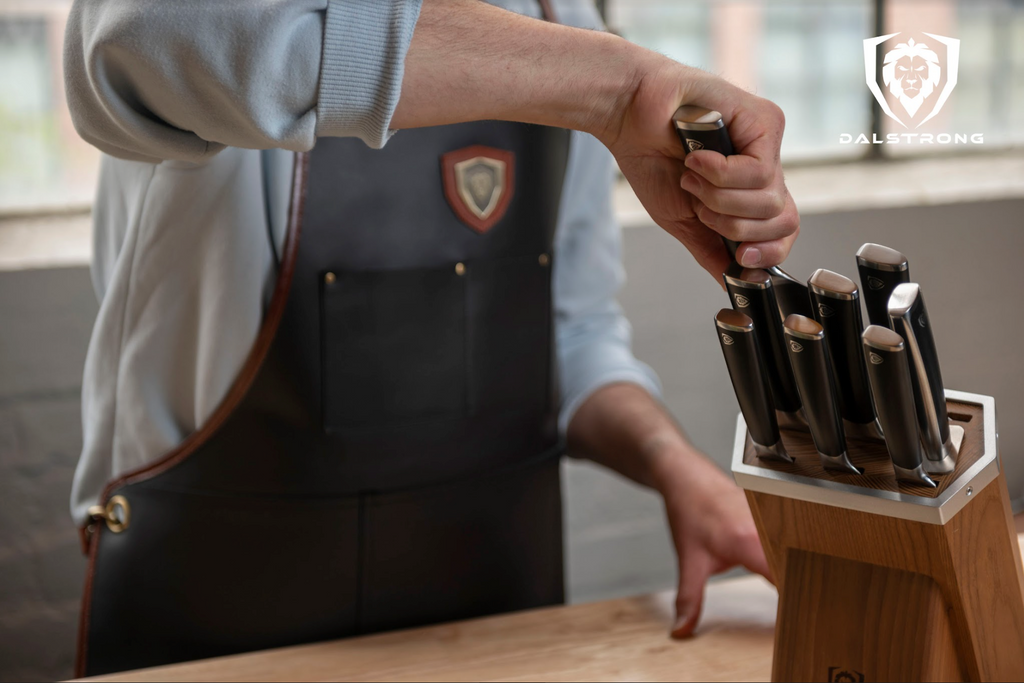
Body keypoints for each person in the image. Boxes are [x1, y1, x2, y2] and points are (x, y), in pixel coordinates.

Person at [65, 0, 799, 677]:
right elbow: (138, 42)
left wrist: (679, 471)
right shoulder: (591, 71)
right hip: (216, 624)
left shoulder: (557, 17)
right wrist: (616, 88)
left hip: (492, 623)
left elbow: (571, 336)